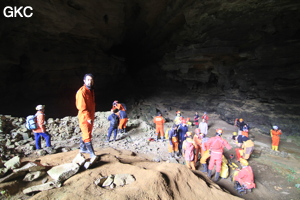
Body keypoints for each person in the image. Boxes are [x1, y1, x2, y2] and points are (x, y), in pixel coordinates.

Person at [76, 73, 97, 160]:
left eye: (91, 80)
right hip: (84, 117)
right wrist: (88, 118)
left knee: (87, 133)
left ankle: (83, 148)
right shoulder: (82, 92)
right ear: (84, 81)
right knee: (87, 134)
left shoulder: (90, 91)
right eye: (88, 80)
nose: (90, 81)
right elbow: (81, 107)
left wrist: (91, 117)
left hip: (90, 116)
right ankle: (92, 154)